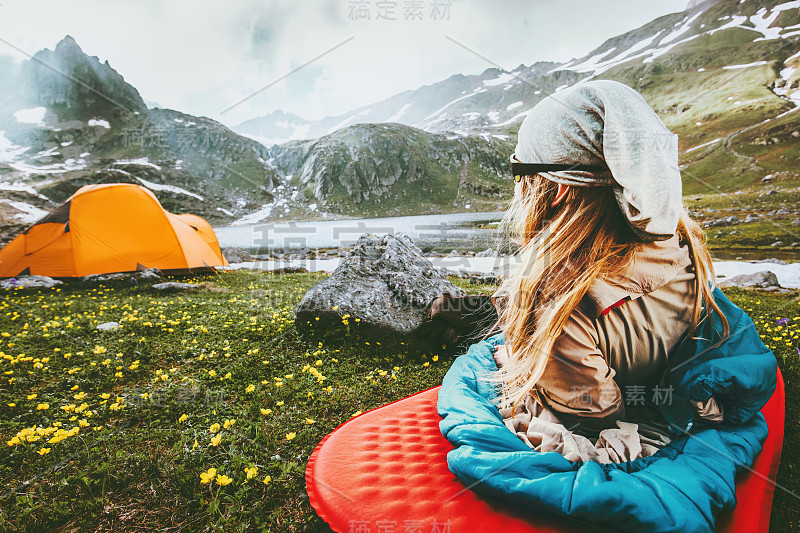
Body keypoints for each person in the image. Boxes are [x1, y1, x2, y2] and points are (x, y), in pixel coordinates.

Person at [426, 80, 732, 463]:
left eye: (519, 169)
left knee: (487, 338)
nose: (517, 184)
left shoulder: (553, 295)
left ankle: (490, 321)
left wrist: (519, 365)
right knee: (478, 317)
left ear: (557, 189)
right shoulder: (678, 238)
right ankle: (488, 314)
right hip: (662, 378)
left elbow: (596, 414)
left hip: (618, 396)